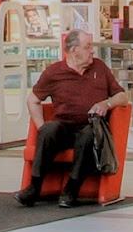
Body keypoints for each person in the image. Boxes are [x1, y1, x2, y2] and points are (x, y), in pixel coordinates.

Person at [19, 30, 127, 208]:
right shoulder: (54, 72)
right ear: (74, 50)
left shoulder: (99, 68)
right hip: (64, 129)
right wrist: (40, 126)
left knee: (88, 135)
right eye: (87, 47)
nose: (92, 51)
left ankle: (71, 190)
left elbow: (122, 97)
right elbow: (33, 100)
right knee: (48, 130)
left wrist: (106, 104)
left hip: (91, 128)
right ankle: (34, 188)